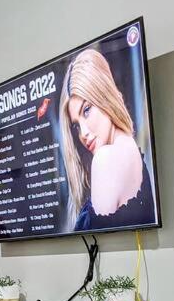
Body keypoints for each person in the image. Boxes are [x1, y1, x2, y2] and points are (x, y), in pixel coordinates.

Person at [59, 48, 155, 232]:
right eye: (76, 125)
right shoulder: (129, 147)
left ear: (103, 95)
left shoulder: (105, 158)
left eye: (87, 110)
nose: (83, 133)